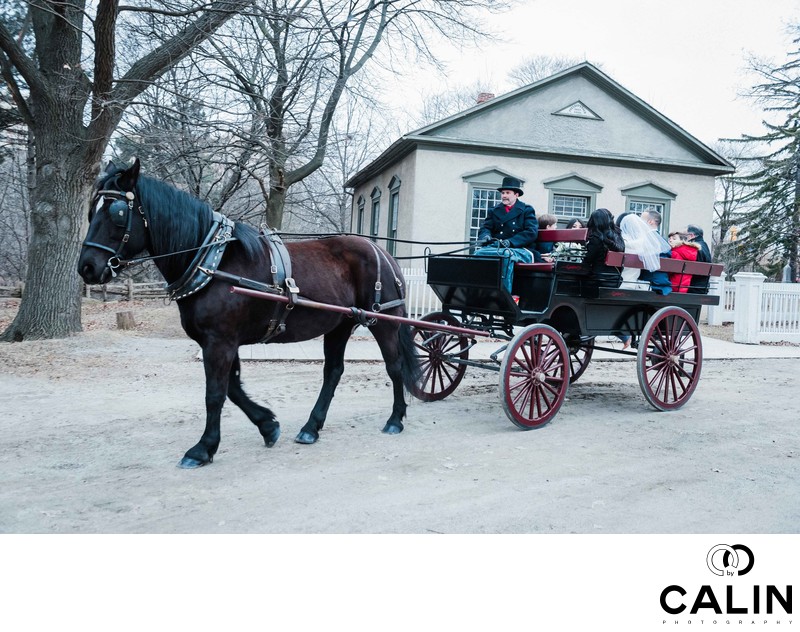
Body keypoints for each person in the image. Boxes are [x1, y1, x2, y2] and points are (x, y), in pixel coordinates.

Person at [474, 176, 538, 292]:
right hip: (498, 246)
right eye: (503, 193)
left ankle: (504, 295)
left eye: (507, 193)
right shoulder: (494, 210)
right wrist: (486, 237)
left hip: (521, 249)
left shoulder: (526, 210)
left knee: (505, 255)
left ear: (516, 194)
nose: (504, 195)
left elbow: (531, 232)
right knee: (478, 253)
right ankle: (479, 291)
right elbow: (485, 228)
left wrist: (511, 242)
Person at [617, 213, 671, 293]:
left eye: (641, 220)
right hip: (652, 282)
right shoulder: (649, 241)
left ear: (650, 222)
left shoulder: (622, 242)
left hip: (652, 283)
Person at [580, 208, 624, 287]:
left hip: (597, 278)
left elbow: (588, 259)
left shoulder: (595, 238)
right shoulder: (617, 235)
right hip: (615, 278)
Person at [683, 224, 711, 294]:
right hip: (703, 287)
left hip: (692, 287)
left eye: (685, 236)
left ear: (692, 235)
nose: (683, 239)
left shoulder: (694, 247)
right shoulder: (705, 246)